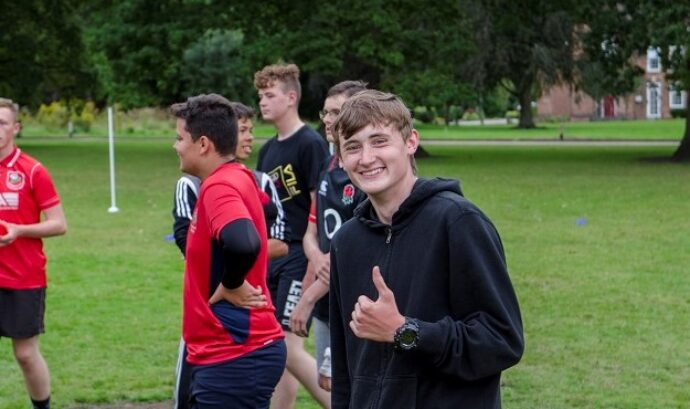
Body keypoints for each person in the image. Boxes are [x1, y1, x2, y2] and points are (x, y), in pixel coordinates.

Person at [329, 90, 524, 409]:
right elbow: (345, 369)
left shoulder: (458, 222)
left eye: (379, 141)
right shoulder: (346, 242)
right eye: (352, 147)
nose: (366, 158)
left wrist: (404, 330)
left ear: (410, 142)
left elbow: (502, 341)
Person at [171, 101, 290, 409]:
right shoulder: (239, 175)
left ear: (203, 144)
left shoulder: (218, 187)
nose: (176, 146)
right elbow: (269, 208)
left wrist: (232, 283)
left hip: (235, 351)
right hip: (232, 350)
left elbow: (244, 242)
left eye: (180, 138)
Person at [254, 63, 330, 408]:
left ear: (291, 97)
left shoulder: (311, 144)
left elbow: (317, 209)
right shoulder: (268, 151)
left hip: (300, 256)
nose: (263, 102)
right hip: (274, 256)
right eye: (260, 96)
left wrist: (313, 268)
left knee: (286, 347)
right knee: (275, 348)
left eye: (270, 95)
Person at [288, 81, 369, 392]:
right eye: (326, 111)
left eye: (336, 112)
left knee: (357, 387)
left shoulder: (365, 174)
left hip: (355, 304)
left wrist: (307, 298)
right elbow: (312, 230)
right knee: (329, 385)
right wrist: (316, 257)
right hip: (327, 303)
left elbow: (356, 250)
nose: (327, 119)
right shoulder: (327, 164)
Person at [0, 97, 68, 409]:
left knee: (25, 354)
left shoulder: (33, 171)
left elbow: (58, 224)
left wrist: (19, 231)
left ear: (16, 127)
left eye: (2, 123)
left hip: (23, 277)